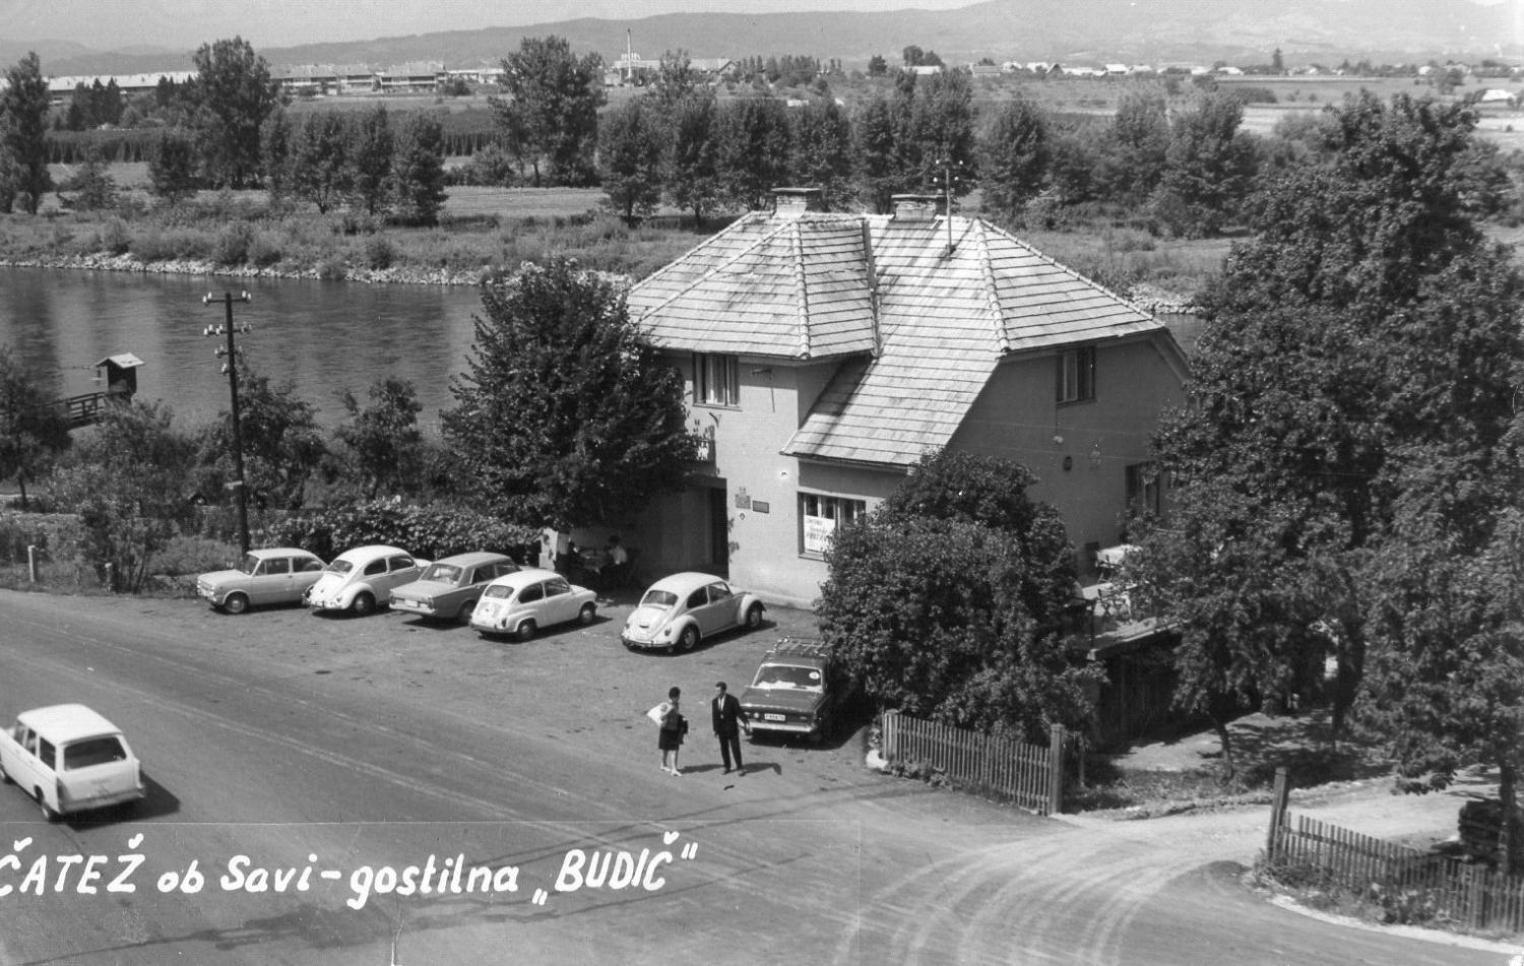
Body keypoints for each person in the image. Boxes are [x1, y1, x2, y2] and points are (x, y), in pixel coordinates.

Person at [711, 681, 751, 775]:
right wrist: (715, 729)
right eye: (715, 691)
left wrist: (746, 722)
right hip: (721, 730)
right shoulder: (714, 701)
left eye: (718, 691)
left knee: (735, 748)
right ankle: (726, 766)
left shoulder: (732, 700)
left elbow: (739, 712)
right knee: (724, 748)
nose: (716, 693)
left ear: (724, 691)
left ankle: (740, 767)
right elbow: (715, 716)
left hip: (731, 729)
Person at [657, 686, 686, 776]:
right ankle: (667, 766)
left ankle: (670, 767)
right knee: (666, 749)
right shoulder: (665, 705)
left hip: (674, 730)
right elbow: (661, 717)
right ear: (673, 697)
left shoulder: (677, 704)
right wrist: (669, 710)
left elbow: (676, 715)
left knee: (674, 749)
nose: (679, 698)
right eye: (678, 696)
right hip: (666, 730)